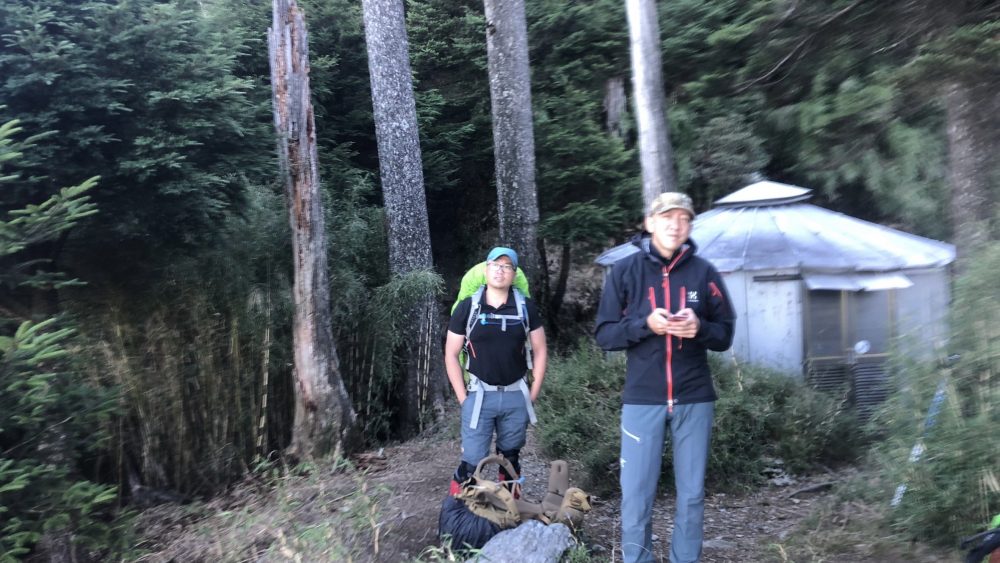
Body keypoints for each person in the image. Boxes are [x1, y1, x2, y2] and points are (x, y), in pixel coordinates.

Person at [595, 193, 736, 563]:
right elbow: (605, 335)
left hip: (695, 397)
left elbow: (725, 334)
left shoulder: (704, 272)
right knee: (636, 494)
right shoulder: (625, 271)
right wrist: (646, 325)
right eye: (667, 217)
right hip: (643, 399)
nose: (676, 224)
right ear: (650, 223)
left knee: (692, 494)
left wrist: (699, 327)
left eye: (684, 218)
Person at [445, 247, 547, 495]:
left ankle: (510, 510)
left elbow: (540, 350)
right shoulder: (468, 307)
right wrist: (463, 399)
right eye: (495, 264)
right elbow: (451, 354)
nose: (500, 270)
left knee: (510, 459)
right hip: (478, 395)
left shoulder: (526, 308)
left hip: (515, 394)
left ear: (514, 274)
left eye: (507, 266)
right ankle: (457, 512)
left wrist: (532, 394)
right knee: (471, 462)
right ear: (486, 269)